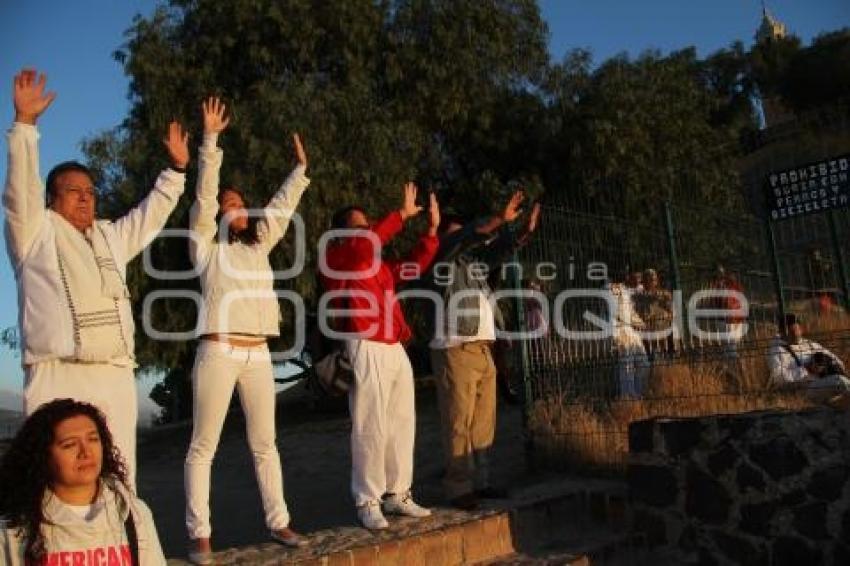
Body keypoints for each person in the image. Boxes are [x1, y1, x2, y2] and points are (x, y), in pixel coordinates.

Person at [4, 69, 189, 487]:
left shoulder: (109, 236)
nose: (86, 197)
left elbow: (149, 216)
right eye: (74, 191)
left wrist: (176, 171)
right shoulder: (34, 231)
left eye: (90, 191)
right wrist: (25, 126)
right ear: (52, 199)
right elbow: (19, 191)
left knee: (119, 479)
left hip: (115, 373)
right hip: (58, 373)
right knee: (56, 482)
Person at [183, 98, 309, 562]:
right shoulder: (205, 248)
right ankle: (200, 535)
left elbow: (280, 206)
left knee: (265, 444)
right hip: (217, 352)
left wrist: (299, 169)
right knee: (204, 446)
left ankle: (279, 522)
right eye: (227, 205)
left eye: (238, 203)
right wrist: (211, 142)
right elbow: (203, 196)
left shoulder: (258, 248)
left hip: (258, 355)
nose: (234, 208)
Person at [321, 184, 439, 530]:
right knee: (369, 423)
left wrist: (431, 231)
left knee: (402, 422)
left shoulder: (380, 267)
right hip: (365, 343)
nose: (366, 230)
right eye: (359, 226)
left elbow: (413, 267)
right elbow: (364, 244)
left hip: (393, 346)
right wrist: (400, 215)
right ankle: (367, 499)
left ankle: (397, 493)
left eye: (367, 224)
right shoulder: (338, 258)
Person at [424, 193, 540, 510]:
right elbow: (463, 238)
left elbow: (500, 251)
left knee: (483, 423)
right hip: (455, 347)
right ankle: (457, 487)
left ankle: (482, 482)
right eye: (458, 234)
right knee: (458, 420)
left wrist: (522, 233)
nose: (467, 240)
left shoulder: (472, 265)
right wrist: (498, 219)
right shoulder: (441, 258)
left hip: (483, 350)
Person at [0, 399, 165, 566]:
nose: (85, 452)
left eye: (93, 439)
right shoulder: (15, 527)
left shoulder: (134, 514)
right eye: (69, 445)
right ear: (42, 456)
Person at [767, 313, 850, 404]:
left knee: (840, 381)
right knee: (839, 381)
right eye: (792, 331)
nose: (796, 334)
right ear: (782, 331)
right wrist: (807, 369)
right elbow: (779, 378)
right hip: (804, 389)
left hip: (823, 380)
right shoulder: (777, 350)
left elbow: (838, 362)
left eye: (798, 329)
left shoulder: (810, 344)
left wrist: (826, 365)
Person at [608, 281, 649, 399]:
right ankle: (628, 396)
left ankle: (638, 393)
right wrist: (615, 337)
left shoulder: (624, 289)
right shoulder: (611, 289)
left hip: (631, 331)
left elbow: (629, 311)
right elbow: (612, 315)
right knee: (627, 365)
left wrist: (641, 323)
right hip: (620, 331)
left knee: (644, 363)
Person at [706, 264, 746, 370]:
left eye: (720, 272)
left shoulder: (728, 285)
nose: (719, 274)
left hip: (730, 319)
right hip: (726, 319)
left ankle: (741, 372)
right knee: (727, 350)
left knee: (730, 350)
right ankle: (734, 374)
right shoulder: (718, 285)